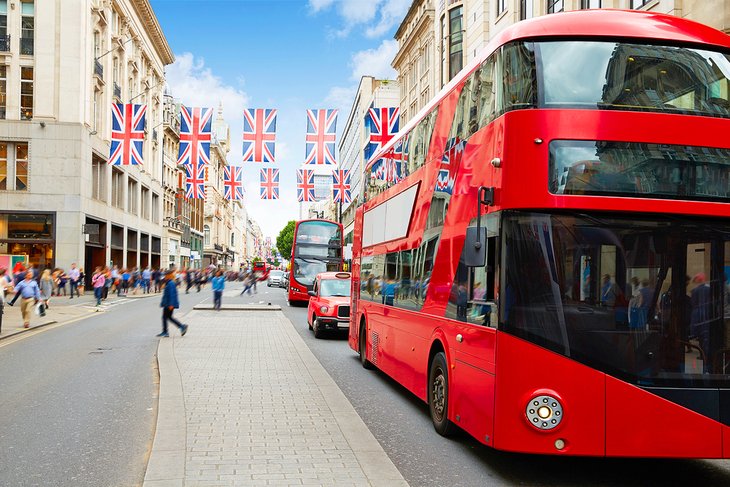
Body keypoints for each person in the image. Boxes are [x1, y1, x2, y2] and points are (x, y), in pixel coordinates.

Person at [159, 270, 188, 337]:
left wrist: (171, 304)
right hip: (167, 303)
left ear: (168, 276)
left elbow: (172, 295)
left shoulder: (171, 283)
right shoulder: (169, 282)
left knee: (165, 317)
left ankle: (166, 331)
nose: (164, 277)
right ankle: (182, 327)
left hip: (169, 304)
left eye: (165, 275)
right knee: (168, 317)